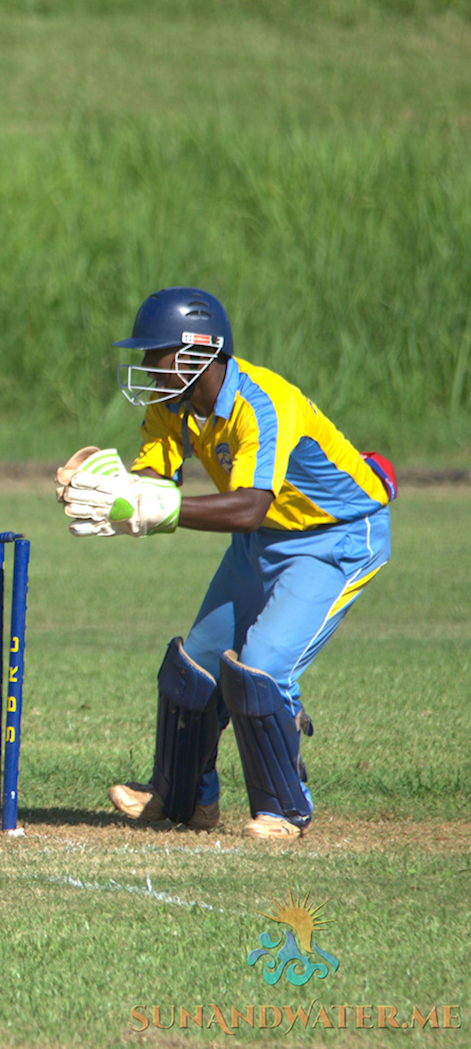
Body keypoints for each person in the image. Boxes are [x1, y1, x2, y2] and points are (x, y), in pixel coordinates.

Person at [55, 287, 394, 840]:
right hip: (261, 537)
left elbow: (247, 506)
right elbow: (155, 482)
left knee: (262, 668)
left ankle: (284, 809)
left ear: (198, 351)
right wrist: (113, 490)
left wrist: (155, 508)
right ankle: (184, 799)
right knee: (195, 668)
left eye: (157, 353)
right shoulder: (171, 402)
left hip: (333, 537)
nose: (148, 365)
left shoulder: (261, 403)